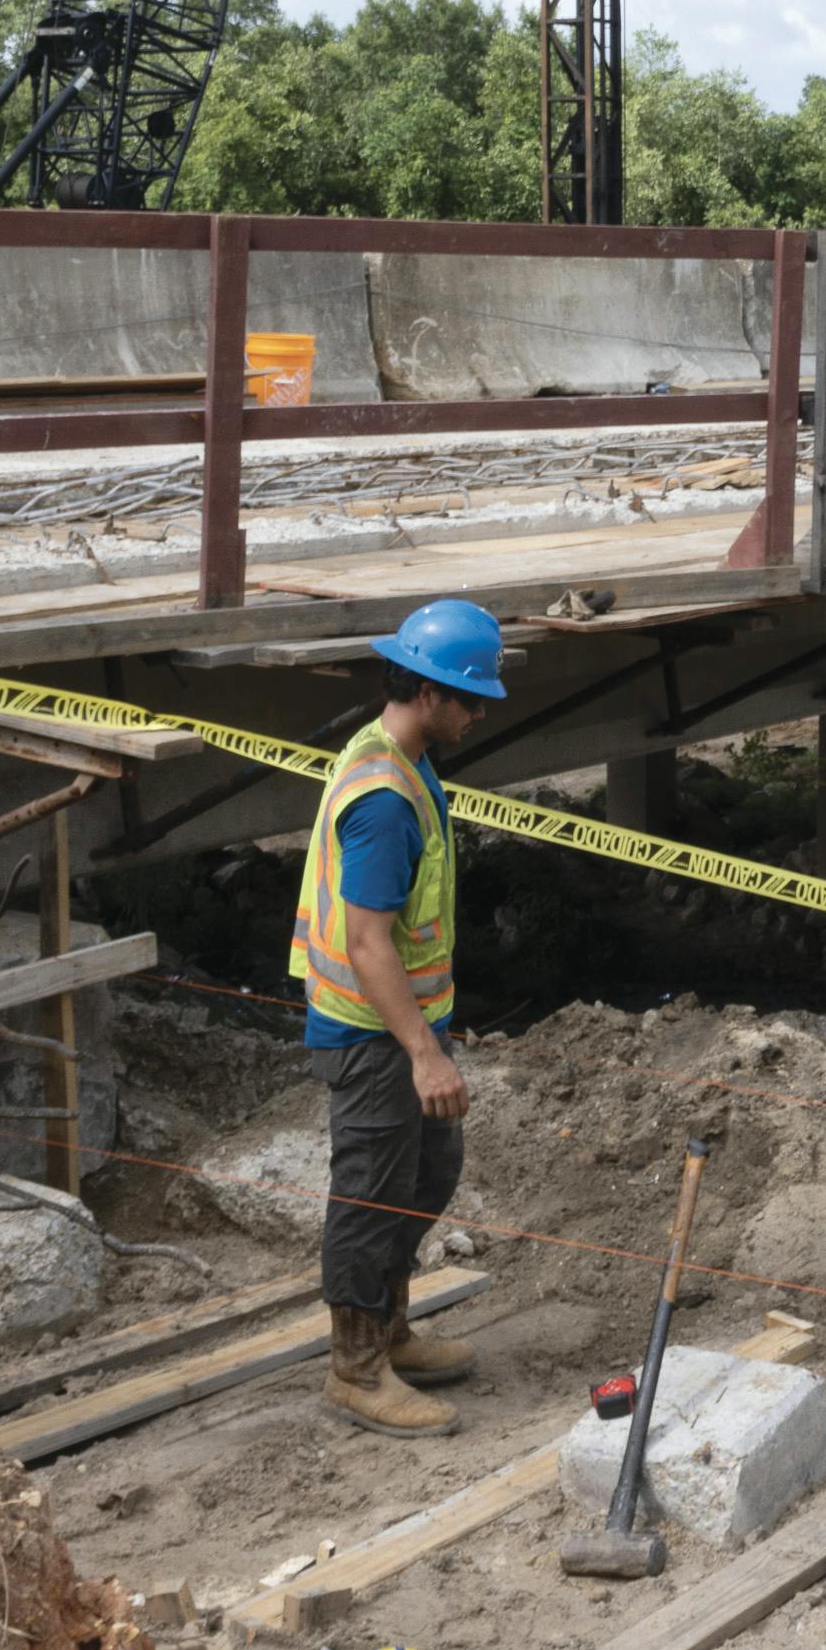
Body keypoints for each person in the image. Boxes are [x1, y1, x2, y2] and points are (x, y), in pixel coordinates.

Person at [291, 596, 509, 1436]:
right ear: (427, 692)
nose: (478, 713)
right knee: (370, 1195)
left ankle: (388, 1328)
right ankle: (355, 1369)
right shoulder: (384, 797)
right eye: (469, 698)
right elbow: (368, 941)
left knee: (427, 1173)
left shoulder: (399, 758)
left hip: (401, 1022)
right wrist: (423, 1052)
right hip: (372, 1031)